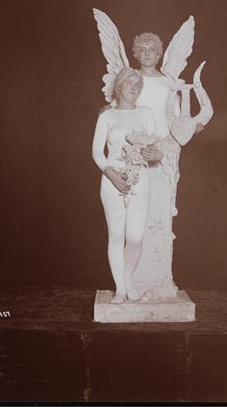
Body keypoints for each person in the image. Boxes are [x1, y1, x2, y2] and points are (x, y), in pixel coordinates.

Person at [131, 32, 213, 299]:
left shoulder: (168, 81)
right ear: (135, 53)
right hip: (135, 147)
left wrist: (188, 128)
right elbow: (120, 107)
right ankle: (131, 281)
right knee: (135, 213)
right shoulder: (129, 77)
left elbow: (176, 115)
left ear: (159, 54)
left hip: (165, 149)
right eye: (142, 49)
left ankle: (160, 279)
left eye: (152, 49)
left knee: (161, 212)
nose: (147, 53)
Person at [92, 67, 161, 304]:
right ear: (119, 86)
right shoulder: (106, 116)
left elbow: (156, 150)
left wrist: (156, 154)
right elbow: (97, 152)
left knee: (135, 238)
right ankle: (121, 288)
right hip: (112, 180)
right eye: (129, 83)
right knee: (116, 235)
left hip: (140, 179)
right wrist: (111, 174)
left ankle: (128, 278)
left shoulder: (146, 113)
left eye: (137, 84)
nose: (134, 87)